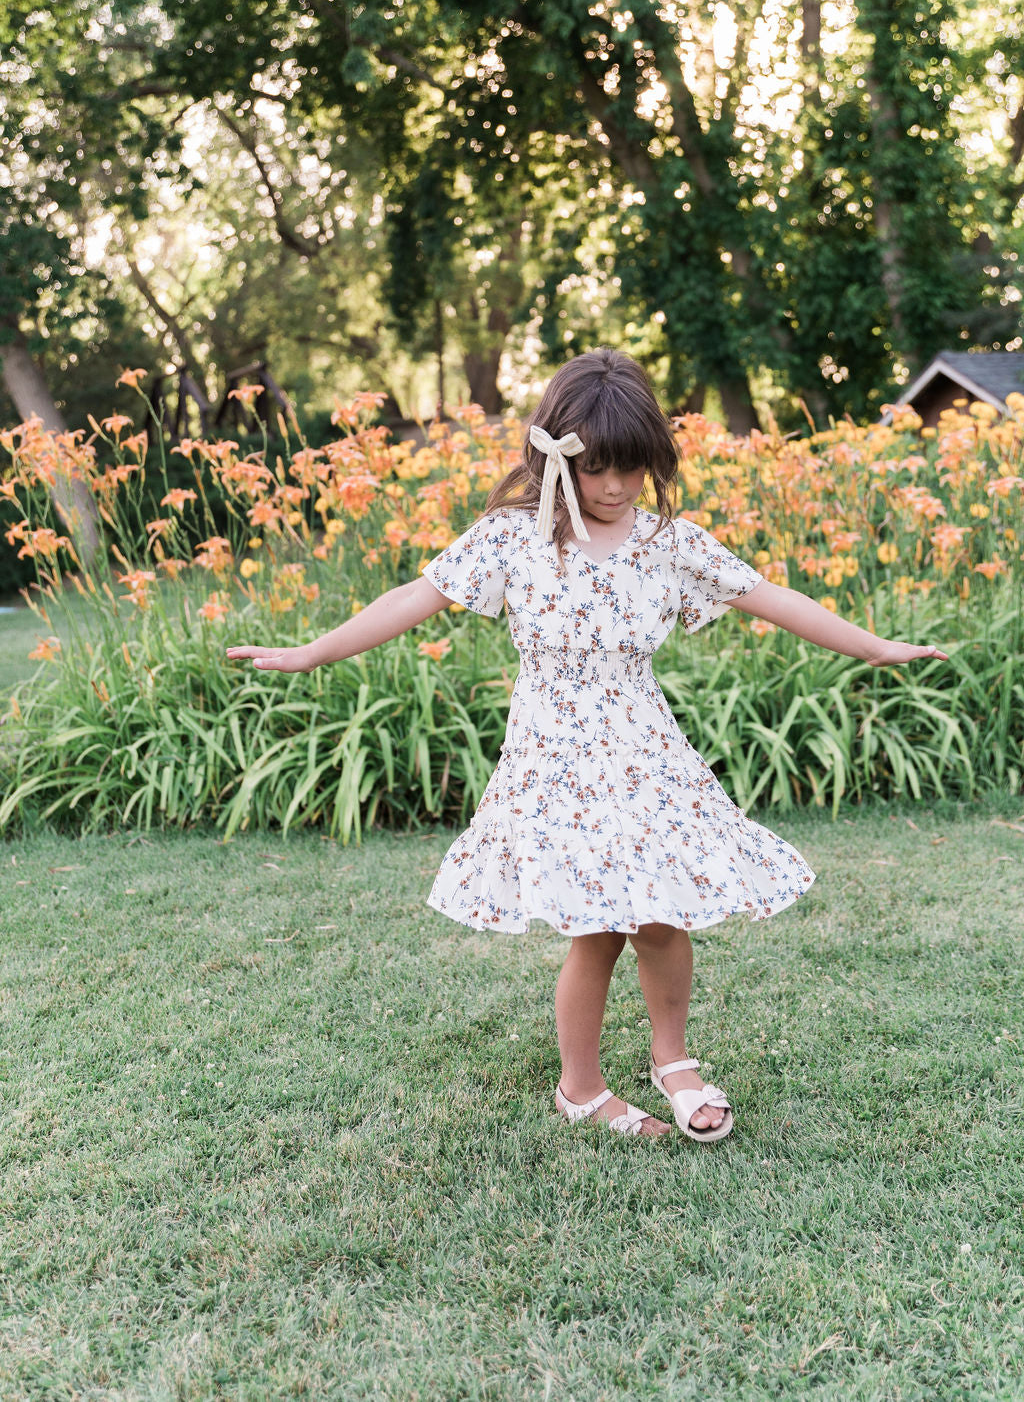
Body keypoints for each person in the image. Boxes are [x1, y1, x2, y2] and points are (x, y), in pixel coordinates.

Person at [227, 348, 948, 1142]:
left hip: (646, 754)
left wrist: (875, 645)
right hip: (555, 761)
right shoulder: (513, 538)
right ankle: (581, 1085)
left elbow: (769, 596)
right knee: (598, 927)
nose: (615, 486)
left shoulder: (668, 542)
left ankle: (672, 1060)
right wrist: (309, 652)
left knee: (664, 916)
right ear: (556, 458)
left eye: (633, 469)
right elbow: (416, 595)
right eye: (600, 468)